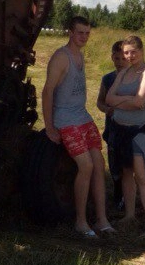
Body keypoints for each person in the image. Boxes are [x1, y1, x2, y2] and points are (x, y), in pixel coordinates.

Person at [42, 16, 113, 237]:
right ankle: (81, 222)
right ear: (70, 32)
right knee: (86, 165)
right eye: (80, 32)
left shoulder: (80, 56)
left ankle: (101, 219)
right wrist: (49, 126)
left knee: (99, 163)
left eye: (87, 33)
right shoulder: (61, 57)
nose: (84, 37)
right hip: (65, 119)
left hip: (82, 116)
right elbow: (47, 91)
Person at [105, 35, 145, 237]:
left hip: (138, 132)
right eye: (126, 52)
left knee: (142, 177)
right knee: (126, 174)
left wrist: (120, 100)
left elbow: (139, 102)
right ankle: (129, 215)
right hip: (119, 131)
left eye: (133, 52)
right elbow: (109, 99)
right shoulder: (124, 72)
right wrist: (128, 99)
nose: (130, 56)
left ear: (142, 51)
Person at [96, 40, 127, 210]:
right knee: (114, 163)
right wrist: (106, 109)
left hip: (129, 128)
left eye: (123, 58)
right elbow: (99, 102)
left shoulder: (135, 79)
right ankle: (118, 194)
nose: (120, 62)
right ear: (112, 58)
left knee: (128, 163)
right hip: (113, 128)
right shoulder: (107, 79)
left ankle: (128, 195)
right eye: (117, 58)